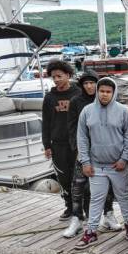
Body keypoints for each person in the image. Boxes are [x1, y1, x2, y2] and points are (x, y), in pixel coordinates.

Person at [75, 78, 128, 248]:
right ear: (97, 91)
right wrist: (85, 162)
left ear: (113, 93)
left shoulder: (123, 111)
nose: (104, 94)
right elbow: (81, 138)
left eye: (108, 91)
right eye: (101, 91)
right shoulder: (87, 111)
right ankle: (91, 232)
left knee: (124, 196)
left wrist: (124, 159)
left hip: (118, 165)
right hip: (96, 165)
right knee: (96, 198)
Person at [63, 69, 118, 238]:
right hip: (83, 151)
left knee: (107, 186)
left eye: (92, 83)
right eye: (85, 83)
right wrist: (78, 150)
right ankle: (77, 218)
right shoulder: (76, 101)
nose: (89, 86)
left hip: (104, 153)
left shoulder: (106, 101)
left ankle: (108, 214)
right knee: (78, 185)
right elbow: (73, 128)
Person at [42, 59, 81, 220]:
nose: (56, 79)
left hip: (77, 143)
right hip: (58, 144)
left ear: (68, 75)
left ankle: (80, 208)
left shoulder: (78, 93)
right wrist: (46, 145)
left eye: (59, 76)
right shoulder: (50, 97)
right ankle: (69, 206)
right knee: (64, 178)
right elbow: (46, 122)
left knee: (78, 178)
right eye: (53, 77)